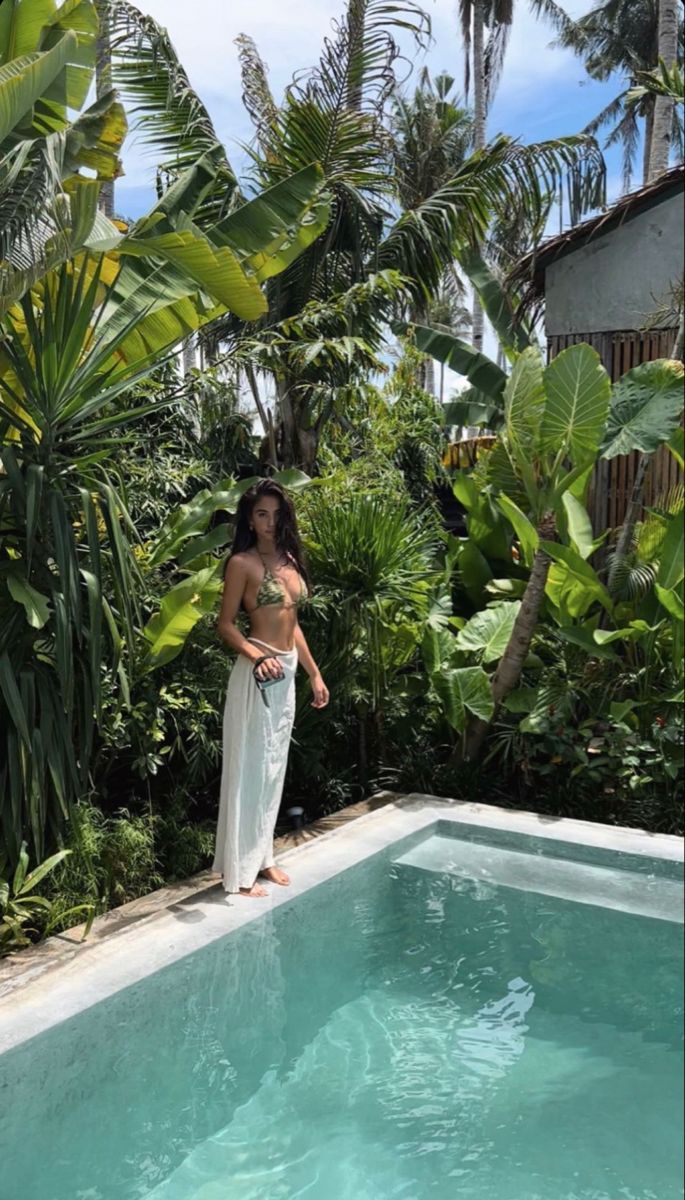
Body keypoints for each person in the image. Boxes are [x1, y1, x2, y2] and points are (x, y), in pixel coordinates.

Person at [213, 479, 329, 898]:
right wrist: (255, 656)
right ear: (249, 517)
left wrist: (314, 673)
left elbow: (292, 624)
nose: (269, 522)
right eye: (261, 514)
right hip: (257, 670)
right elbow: (225, 625)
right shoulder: (241, 563)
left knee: (273, 770)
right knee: (250, 767)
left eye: (276, 514)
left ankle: (263, 859)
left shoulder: (290, 561)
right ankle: (239, 873)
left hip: (287, 672)